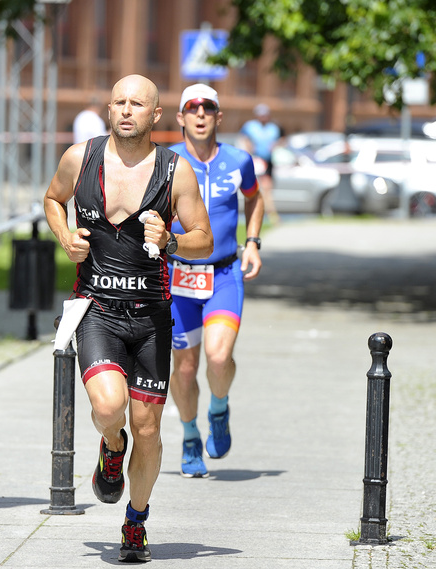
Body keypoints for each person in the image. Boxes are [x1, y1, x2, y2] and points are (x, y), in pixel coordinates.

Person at [44, 74, 212, 563]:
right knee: (108, 408)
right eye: (118, 101)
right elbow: (54, 199)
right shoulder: (80, 157)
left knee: (148, 429)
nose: (125, 110)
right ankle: (109, 447)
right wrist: (64, 235)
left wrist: (171, 242)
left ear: (155, 114)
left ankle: (135, 522)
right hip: (97, 309)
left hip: (152, 317)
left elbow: (206, 237)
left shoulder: (175, 171)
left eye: (137, 103)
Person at [167, 84, 263, 478]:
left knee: (219, 357)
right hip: (177, 279)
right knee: (186, 369)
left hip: (224, 272)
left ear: (219, 117)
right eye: (193, 108)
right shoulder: (167, 162)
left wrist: (253, 242)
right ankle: (190, 436)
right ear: (181, 117)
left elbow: (255, 199)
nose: (201, 114)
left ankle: (219, 408)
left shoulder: (239, 160)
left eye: (208, 108)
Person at [240, 103, 282, 225]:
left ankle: (270, 214)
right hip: (254, 160)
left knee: (267, 188)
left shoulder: (274, 127)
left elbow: (282, 139)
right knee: (252, 188)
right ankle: (257, 214)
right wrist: (249, 148)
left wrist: (275, 146)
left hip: (267, 161)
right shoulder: (250, 126)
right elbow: (244, 139)